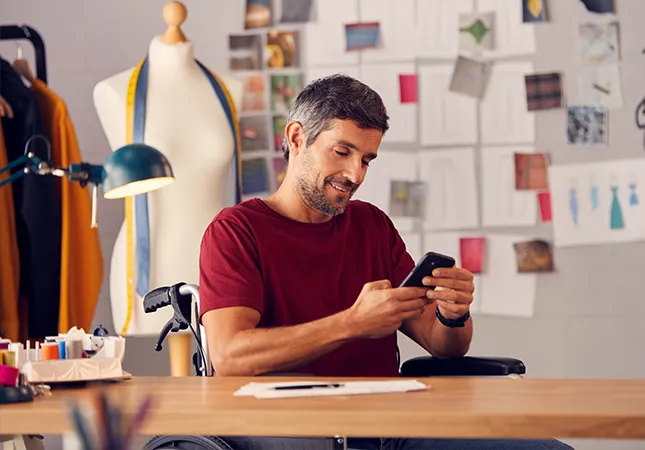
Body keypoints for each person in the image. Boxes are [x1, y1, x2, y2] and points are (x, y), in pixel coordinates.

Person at [198, 74, 573, 450]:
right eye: (342, 152)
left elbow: (444, 345)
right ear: (297, 139)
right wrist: (351, 323)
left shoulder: (371, 224)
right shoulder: (235, 231)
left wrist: (452, 315)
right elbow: (230, 357)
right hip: (299, 433)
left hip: (392, 426)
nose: (355, 174)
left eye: (366, 160)